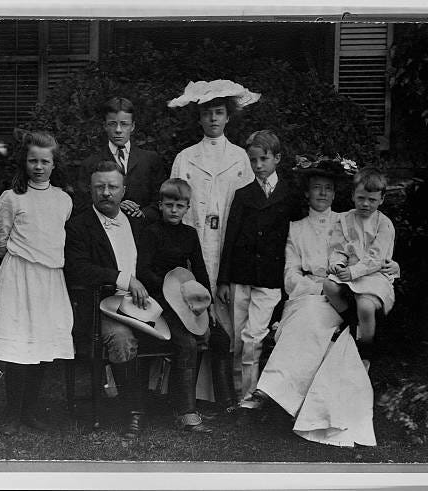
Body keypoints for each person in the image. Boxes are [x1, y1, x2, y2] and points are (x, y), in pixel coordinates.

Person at [238, 155, 399, 447]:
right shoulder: (295, 228)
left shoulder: (348, 219)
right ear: (307, 193)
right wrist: (315, 288)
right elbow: (290, 273)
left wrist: (393, 267)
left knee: (316, 319)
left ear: (336, 194)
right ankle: (275, 392)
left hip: (347, 293)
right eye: (316, 188)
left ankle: (276, 391)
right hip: (311, 292)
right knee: (308, 316)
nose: (322, 193)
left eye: (328, 188)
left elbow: (376, 257)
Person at [168, 79, 260, 411]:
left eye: (219, 112)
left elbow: (248, 209)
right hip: (194, 241)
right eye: (207, 113)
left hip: (226, 244)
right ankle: (190, 392)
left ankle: (226, 392)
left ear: (228, 117)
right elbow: (175, 203)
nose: (213, 119)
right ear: (199, 118)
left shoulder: (239, 158)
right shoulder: (185, 157)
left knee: (227, 312)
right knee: (193, 305)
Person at [0, 131, 74, 436]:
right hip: (19, 277)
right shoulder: (11, 198)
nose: (38, 167)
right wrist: (22, 262)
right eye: (33, 160)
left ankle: (30, 410)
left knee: (43, 344)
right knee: (18, 346)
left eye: (45, 161)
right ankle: (12, 413)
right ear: (25, 162)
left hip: (50, 280)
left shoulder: (63, 200)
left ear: (54, 164)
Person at [65, 159, 157, 439]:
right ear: (90, 189)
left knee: (182, 333)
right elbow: (78, 268)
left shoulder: (136, 222)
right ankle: (134, 411)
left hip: (141, 304)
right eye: (99, 187)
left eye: (113, 187)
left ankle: (180, 406)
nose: (106, 193)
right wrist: (123, 279)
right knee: (121, 339)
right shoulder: (79, 226)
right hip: (99, 307)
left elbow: (150, 264)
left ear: (124, 190)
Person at [216, 130, 303, 401]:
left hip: (269, 277)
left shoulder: (289, 194)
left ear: (277, 158)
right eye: (253, 160)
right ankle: (240, 398)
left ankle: (249, 398)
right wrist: (223, 280)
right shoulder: (243, 194)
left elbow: (297, 238)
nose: (258, 165)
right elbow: (230, 237)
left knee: (253, 337)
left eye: (263, 159)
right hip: (241, 276)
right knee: (238, 339)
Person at [136, 178, 213, 433]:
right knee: (186, 342)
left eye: (179, 206)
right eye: (169, 205)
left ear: (187, 208)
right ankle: (186, 411)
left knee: (208, 337)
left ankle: (182, 400)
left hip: (183, 299)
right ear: (160, 205)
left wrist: (207, 303)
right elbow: (143, 270)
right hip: (158, 301)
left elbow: (199, 269)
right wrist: (168, 286)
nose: (173, 210)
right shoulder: (151, 232)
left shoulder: (189, 234)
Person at [323, 166, 397, 370]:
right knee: (329, 286)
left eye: (372, 200)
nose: (365, 204)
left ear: (381, 200)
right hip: (350, 270)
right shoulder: (344, 219)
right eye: (361, 198)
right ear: (353, 196)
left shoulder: (384, 224)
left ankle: (366, 350)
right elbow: (338, 248)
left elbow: (376, 258)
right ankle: (351, 322)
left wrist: (353, 272)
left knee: (365, 306)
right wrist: (338, 264)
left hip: (374, 274)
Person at [76, 97, 166, 221]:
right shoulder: (91, 164)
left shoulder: (150, 160)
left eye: (124, 124)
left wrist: (142, 213)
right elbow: (82, 205)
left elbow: (161, 200)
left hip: (143, 227)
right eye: (112, 124)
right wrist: (114, 206)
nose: (118, 130)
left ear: (132, 126)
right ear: (105, 126)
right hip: (105, 228)